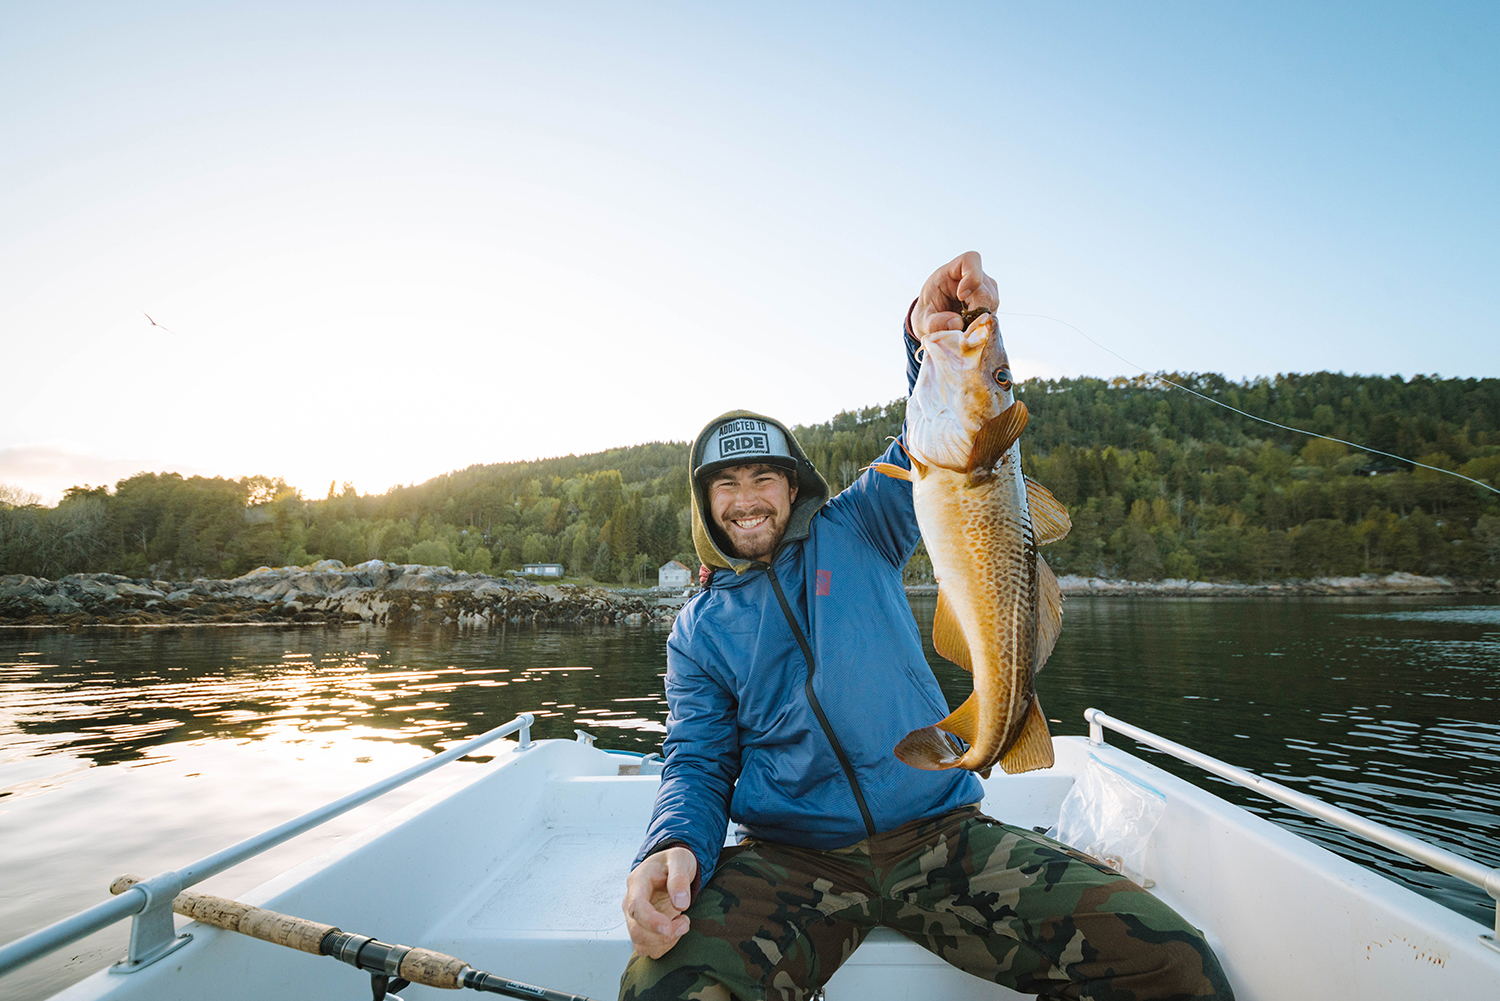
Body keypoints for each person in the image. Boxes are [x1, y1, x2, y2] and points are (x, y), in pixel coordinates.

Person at [618, 253, 1234, 1001]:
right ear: (705, 504)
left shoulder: (862, 523)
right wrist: (674, 842)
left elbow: (946, 428)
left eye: (763, 479)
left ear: (793, 486)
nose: (747, 499)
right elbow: (697, 759)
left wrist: (930, 335)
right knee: (666, 991)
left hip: (940, 838)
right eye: (726, 485)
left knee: (1173, 962)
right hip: (790, 858)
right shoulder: (698, 629)